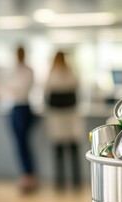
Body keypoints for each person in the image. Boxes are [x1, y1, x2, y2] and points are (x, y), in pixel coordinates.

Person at [45, 51, 82, 190]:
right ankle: (66, 182)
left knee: (68, 150)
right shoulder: (63, 73)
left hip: (68, 117)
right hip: (60, 117)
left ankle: (68, 182)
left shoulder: (63, 72)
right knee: (63, 150)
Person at [3, 46, 37, 193]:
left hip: (23, 108)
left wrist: (13, 89)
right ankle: (25, 175)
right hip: (14, 108)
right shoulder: (12, 70)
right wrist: (13, 90)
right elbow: (7, 88)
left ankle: (29, 176)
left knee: (23, 143)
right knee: (18, 144)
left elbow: (20, 90)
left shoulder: (28, 70)